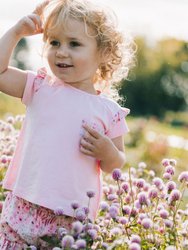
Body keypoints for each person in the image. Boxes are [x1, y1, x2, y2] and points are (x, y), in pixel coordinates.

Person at [0, 0, 134, 248]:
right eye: (54, 42)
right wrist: (17, 31)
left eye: (74, 44)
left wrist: (107, 152)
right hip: (26, 204)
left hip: (71, 216)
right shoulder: (40, 86)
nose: (61, 51)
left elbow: (116, 163)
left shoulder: (108, 111)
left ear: (103, 53)